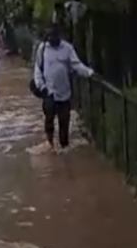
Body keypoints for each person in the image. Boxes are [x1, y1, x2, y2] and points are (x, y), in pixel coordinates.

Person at [33, 22, 94, 152]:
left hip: (64, 93)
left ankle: (64, 147)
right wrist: (41, 86)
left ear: (58, 35)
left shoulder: (67, 48)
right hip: (48, 92)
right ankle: (50, 144)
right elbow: (38, 69)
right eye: (48, 35)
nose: (50, 38)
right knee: (49, 119)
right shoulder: (42, 49)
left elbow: (76, 65)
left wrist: (89, 73)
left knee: (64, 122)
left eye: (53, 35)